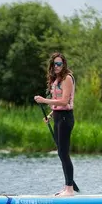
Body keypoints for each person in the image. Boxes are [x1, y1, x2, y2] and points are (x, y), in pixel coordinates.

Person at [34, 52, 77, 196]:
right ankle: (67, 187)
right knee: (60, 153)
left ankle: (70, 189)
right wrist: (51, 115)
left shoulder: (67, 79)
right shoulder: (56, 79)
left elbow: (64, 101)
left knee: (64, 153)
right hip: (58, 117)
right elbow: (57, 102)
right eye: (55, 64)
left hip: (66, 118)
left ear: (64, 64)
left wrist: (44, 101)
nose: (57, 66)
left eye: (59, 64)